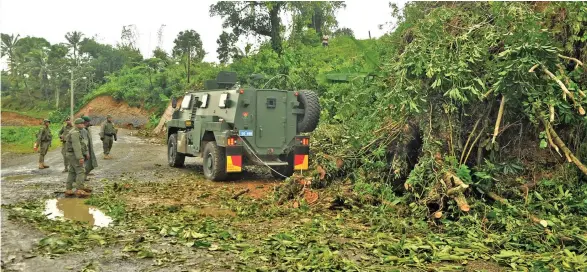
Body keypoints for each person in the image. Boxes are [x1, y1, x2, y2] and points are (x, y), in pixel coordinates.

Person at [64, 118, 91, 197]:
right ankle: (79, 189)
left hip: (71, 154)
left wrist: (86, 152)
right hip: (74, 155)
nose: (83, 124)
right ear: (77, 124)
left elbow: (81, 144)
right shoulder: (75, 133)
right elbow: (77, 146)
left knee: (72, 171)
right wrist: (80, 157)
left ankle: (68, 189)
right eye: (82, 123)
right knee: (81, 171)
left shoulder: (75, 132)